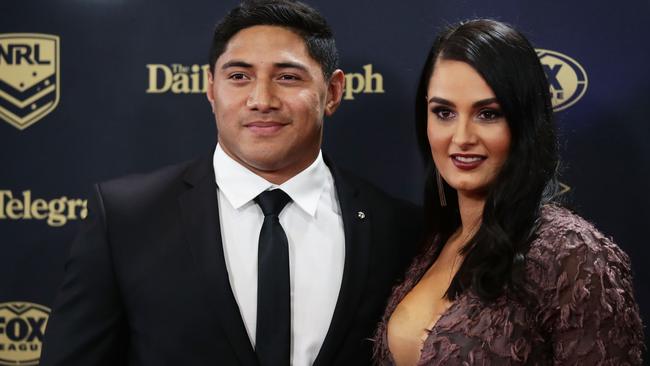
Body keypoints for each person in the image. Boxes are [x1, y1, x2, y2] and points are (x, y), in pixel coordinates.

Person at [40, 1, 422, 365]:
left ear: (333, 92)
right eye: (239, 77)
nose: (261, 99)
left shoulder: (396, 229)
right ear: (210, 88)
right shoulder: (126, 219)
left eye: (287, 77)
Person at [372, 19, 644, 365]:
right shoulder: (433, 243)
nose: (461, 137)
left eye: (487, 114)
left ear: (524, 122)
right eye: (444, 112)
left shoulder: (571, 255)